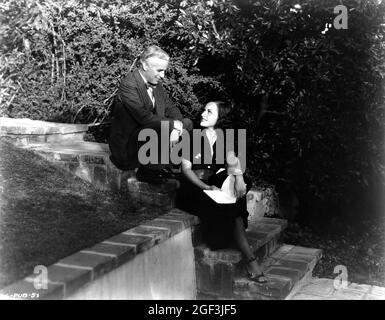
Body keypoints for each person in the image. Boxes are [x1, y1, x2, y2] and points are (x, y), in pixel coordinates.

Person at [177, 101, 268, 283]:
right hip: (194, 188)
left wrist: (239, 177)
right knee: (231, 208)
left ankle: (249, 258)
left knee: (239, 183)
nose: (203, 114)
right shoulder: (192, 136)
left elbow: (232, 161)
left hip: (214, 186)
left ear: (220, 119)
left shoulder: (224, 138)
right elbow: (185, 170)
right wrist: (207, 187)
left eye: (209, 112)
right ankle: (250, 258)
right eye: (204, 110)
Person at [108, 45, 192, 183]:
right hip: (128, 149)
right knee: (164, 126)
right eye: (159, 70)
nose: (163, 76)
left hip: (147, 142)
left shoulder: (156, 84)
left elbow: (171, 108)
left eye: (164, 71)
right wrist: (172, 125)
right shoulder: (129, 85)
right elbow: (144, 117)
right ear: (145, 65)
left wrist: (177, 127)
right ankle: (150, 170)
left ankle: (164, 166)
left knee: (187, 123)